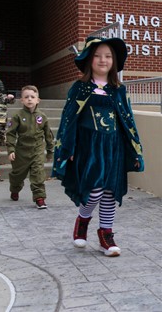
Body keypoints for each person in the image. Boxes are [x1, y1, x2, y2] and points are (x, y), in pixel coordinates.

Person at [52, 36, 144, 257]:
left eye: (108, 56)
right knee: (94, 191)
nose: (103, 60)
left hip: (114, 148)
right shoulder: (80, 88)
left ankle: (106, 235)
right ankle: (83, 220)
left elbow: (127, 119)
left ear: (114, 61)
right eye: (98, 55)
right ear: (89, 59)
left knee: (110, 192)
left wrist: (133, 150)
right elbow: (69, 119)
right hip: (89, 148)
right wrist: (68, 148)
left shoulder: (119, 90)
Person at [6, 85, 55, 209]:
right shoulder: (17, 116)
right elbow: (11, 133)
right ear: (21, 100)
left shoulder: (42, 117)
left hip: (37, 150)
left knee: (38, 174)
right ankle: (15, 189)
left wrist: (50, 151)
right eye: (26, 97)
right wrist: (11, 149)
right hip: (21, 151)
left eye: (32, 97)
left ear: (38, 100)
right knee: (17, 175)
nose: (29, 99)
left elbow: (48, 135)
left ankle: (39, 198)